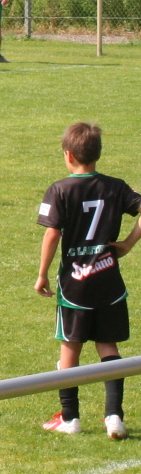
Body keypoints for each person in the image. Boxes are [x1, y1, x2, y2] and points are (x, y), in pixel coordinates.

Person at [36, 122, 139, 439]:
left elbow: (52, 234)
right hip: (108, 282)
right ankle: (114, 417)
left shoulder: (59, 190)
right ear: (98, 153)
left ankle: (70, 418)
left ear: (68, 155)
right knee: (108, 346)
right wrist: (127, 243)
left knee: (70, 349)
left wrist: (42, 274)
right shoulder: (115, 187)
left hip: (75, 286)